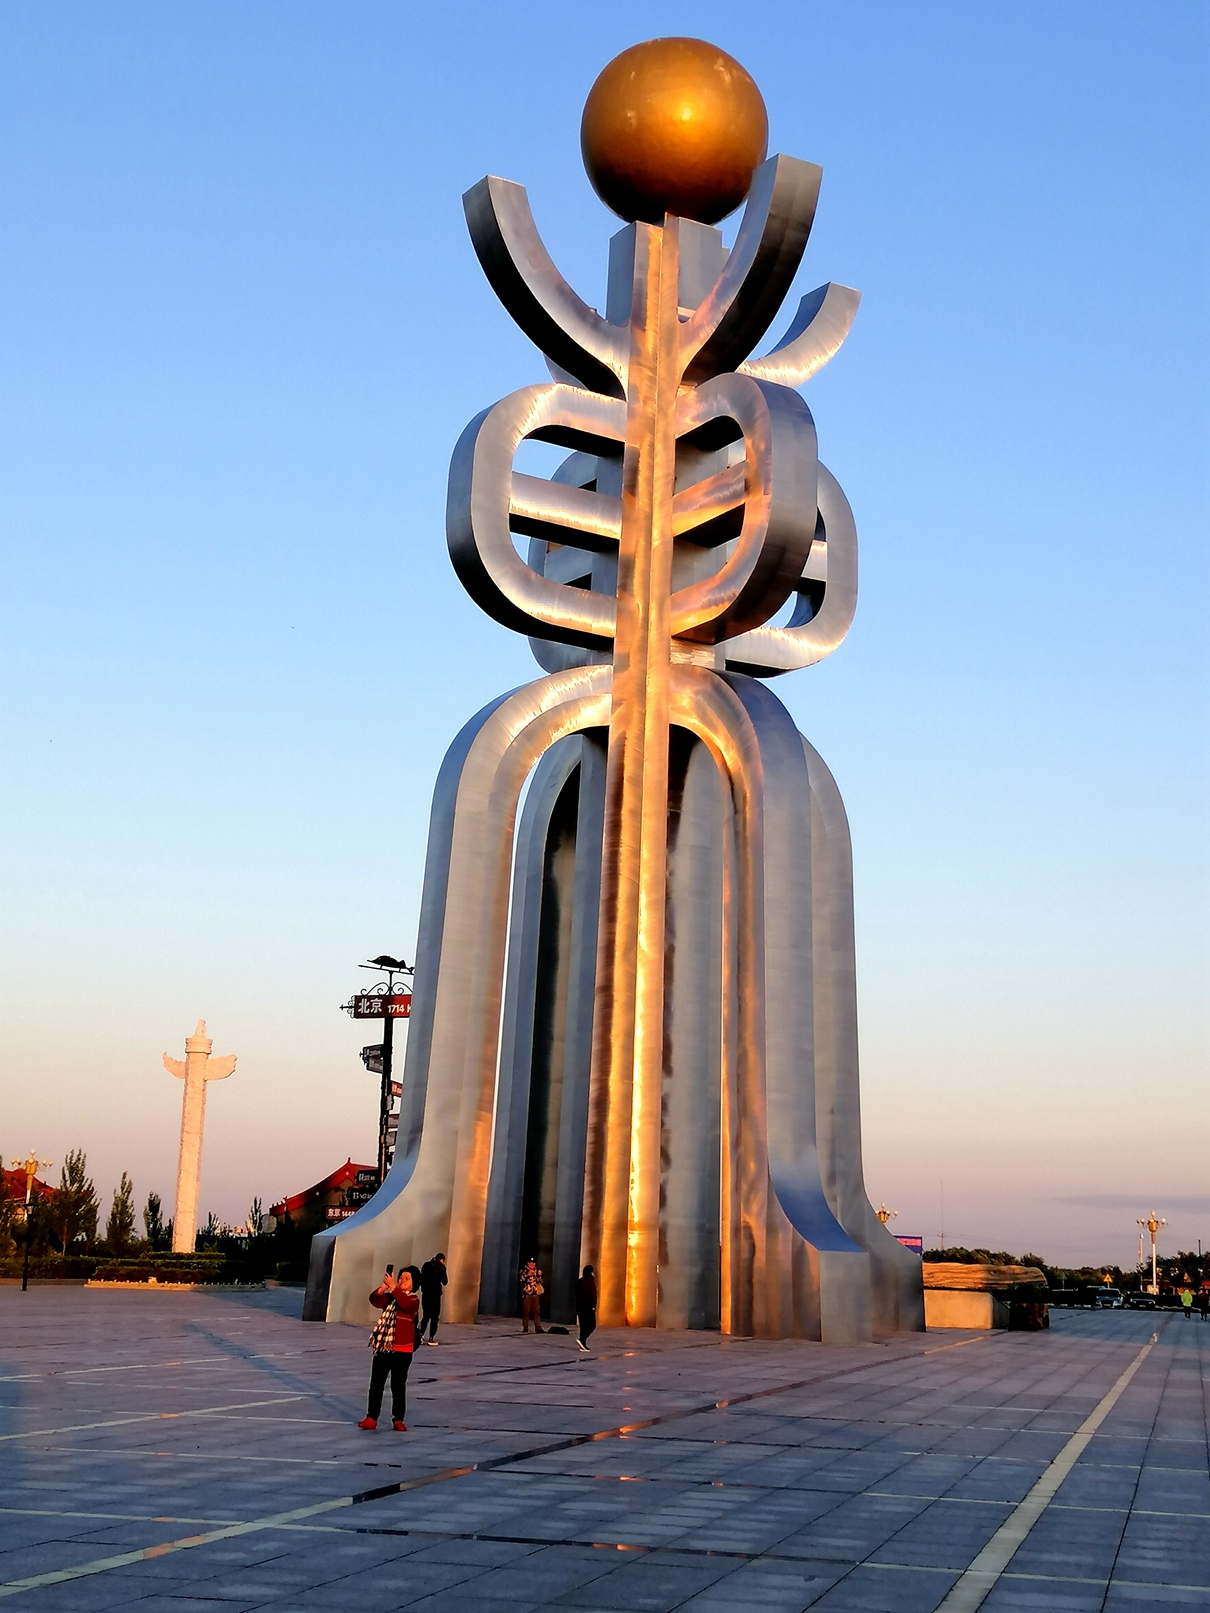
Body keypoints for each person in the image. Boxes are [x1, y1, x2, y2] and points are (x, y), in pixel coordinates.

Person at [358, 1266, 420, 1432]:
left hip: (402, 1350)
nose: (401, 1280)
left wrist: (393, 1288)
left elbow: (406, 1305)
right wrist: (382, 1288)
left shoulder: (413, 1299)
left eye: (406, 1278)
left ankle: (398, 1418)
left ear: (414, 1284)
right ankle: (371, 1417)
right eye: (400, 1277)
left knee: (398, 1385)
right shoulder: (391, 1297)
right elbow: (375, 1300)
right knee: (376, 1384)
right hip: (384, 1346)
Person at [418, 1253, 448, 1346]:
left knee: (426, 1316)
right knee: (434, 1317)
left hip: (426, 1294)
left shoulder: (426, 1265)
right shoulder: (441, 1268)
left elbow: (421, 1278)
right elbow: (445, 1282)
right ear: (442, 1259)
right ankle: (431, 1338)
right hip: (435, 1295)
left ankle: (420, 1335)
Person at [575, 1263, 597, 1352]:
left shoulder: (579, 1281)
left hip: (580, 1307)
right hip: (588, 1307)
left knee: (583, 1326)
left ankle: (582, 1344)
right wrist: (593, 1306)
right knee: (592, 1325)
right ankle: (582, 1339)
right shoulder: (589, 1282)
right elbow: (591, 1295)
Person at [519, 1256, 544, 1333]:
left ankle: (538, 1327)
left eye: (533, 1263)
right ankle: (525, 1327)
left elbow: (541, 1282)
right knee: (526, 1311)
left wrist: (539, 1276)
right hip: (527, 1294)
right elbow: (521, 1281)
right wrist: (527, 1275)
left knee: (536, 1311)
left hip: (535, 1294)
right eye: (530, 1263)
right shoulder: (524, 1271)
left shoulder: (537, 1271)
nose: (532, 1264)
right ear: (528, 1263)